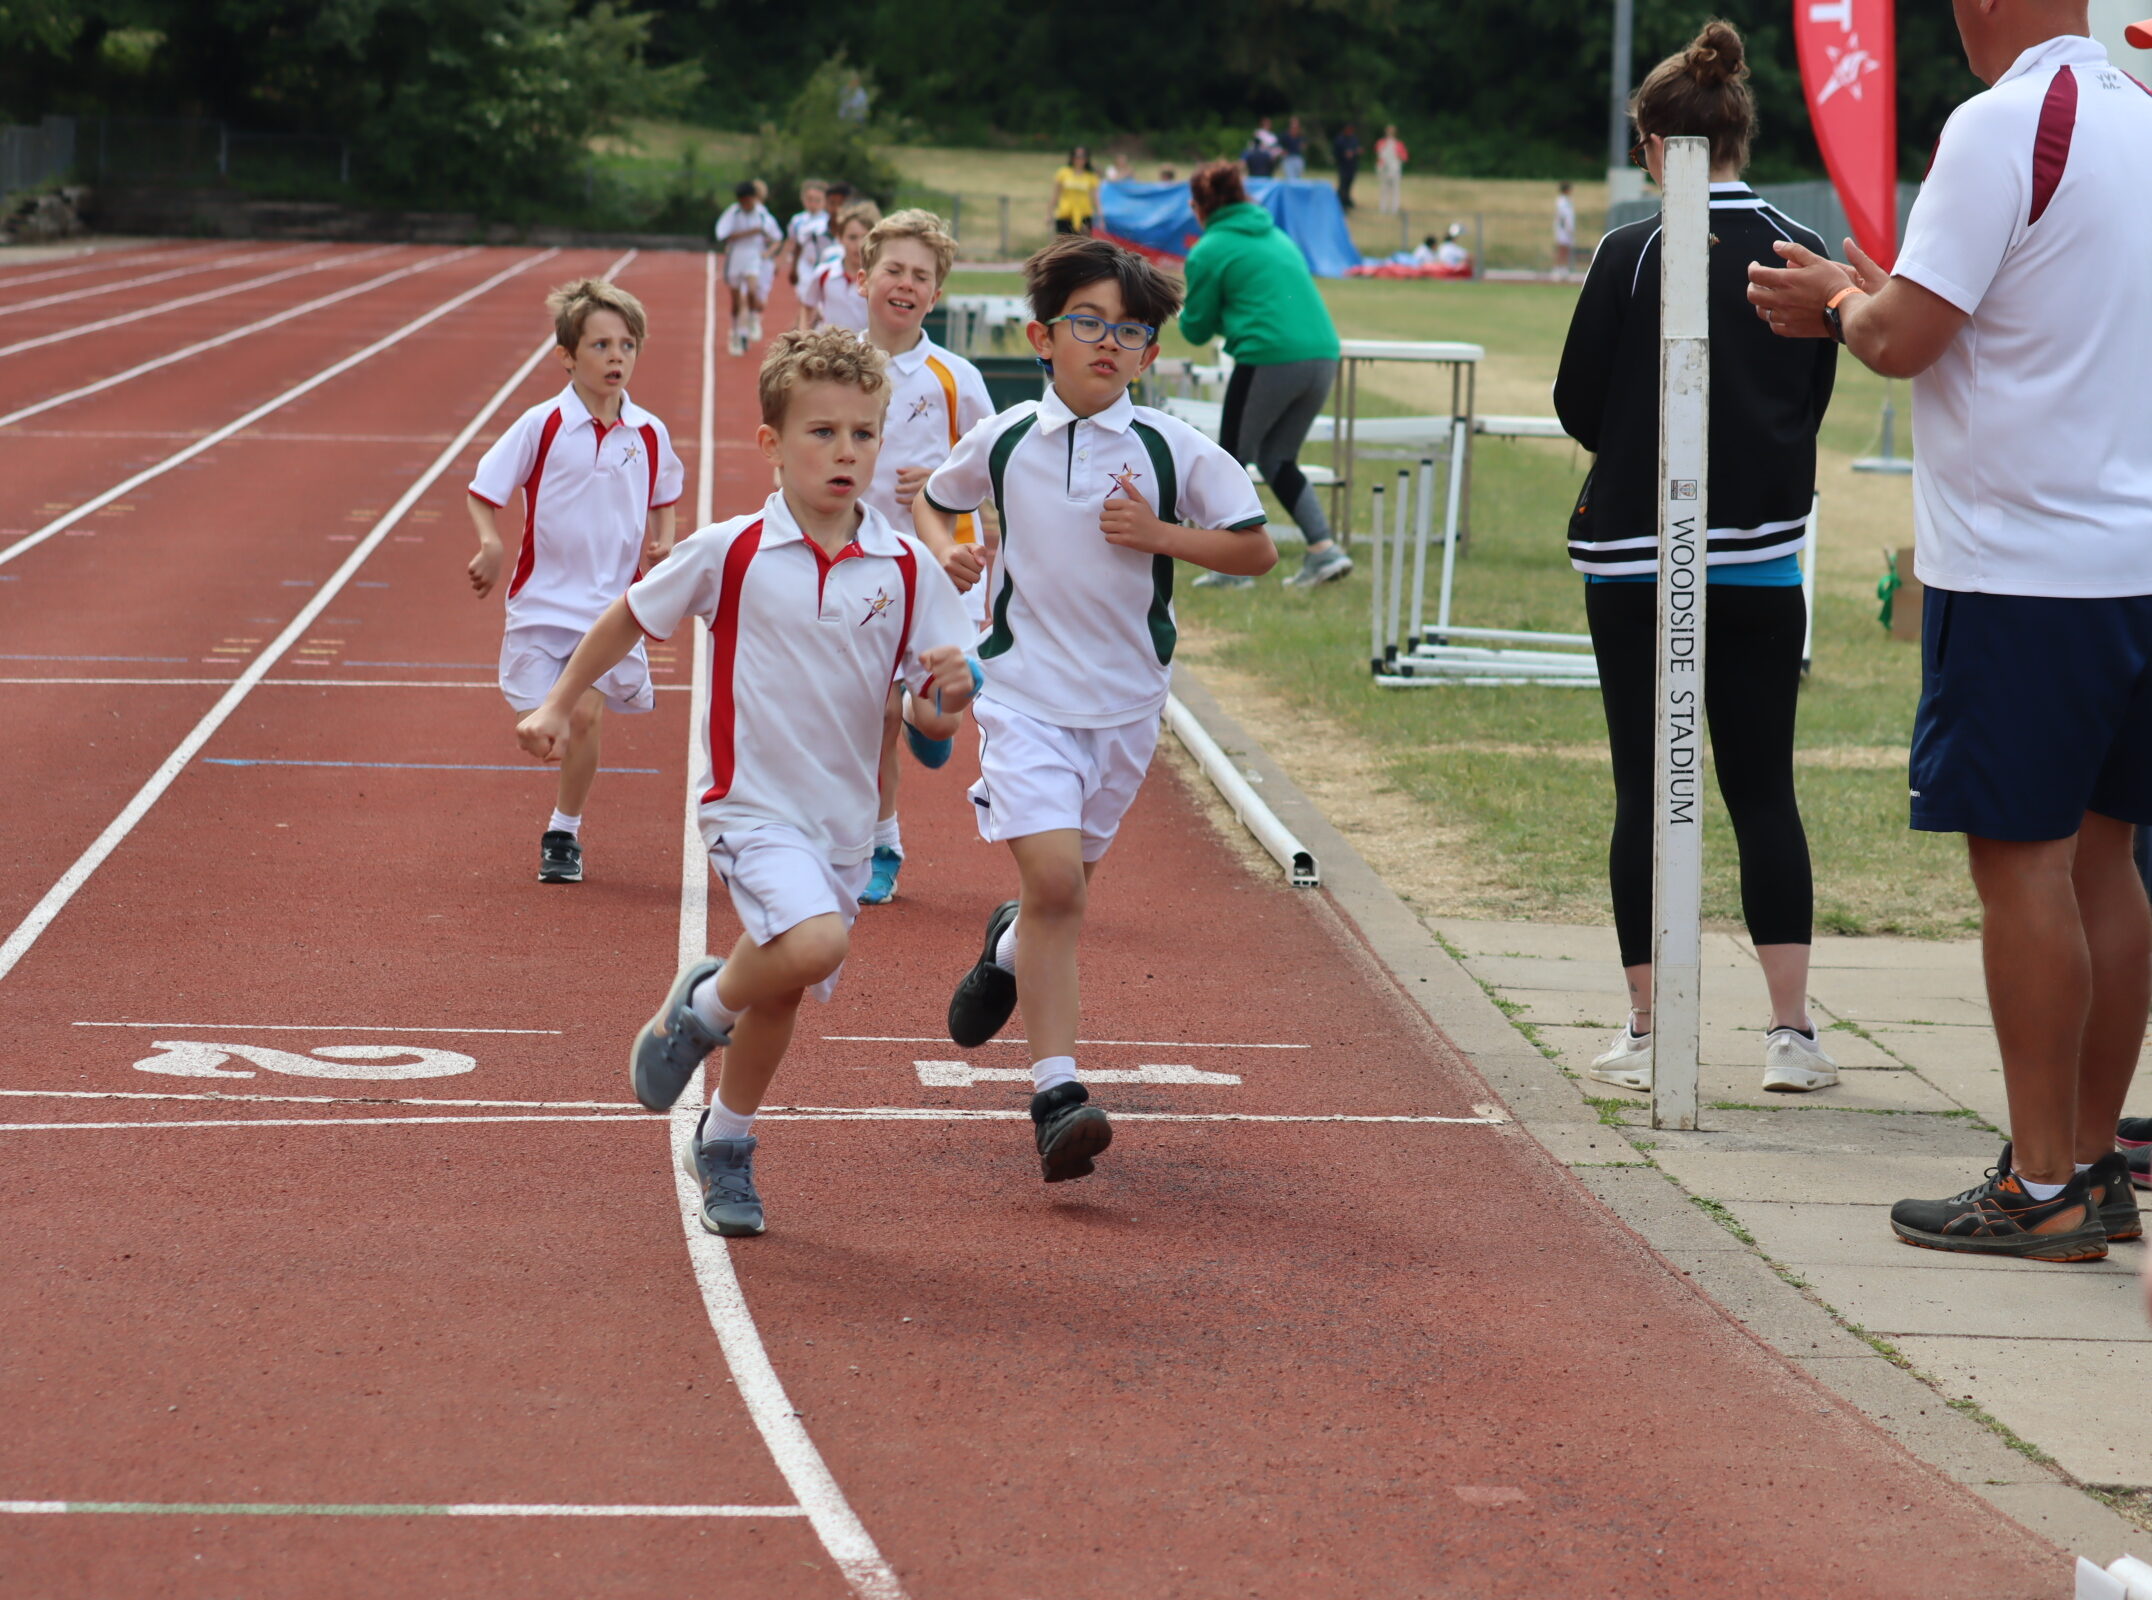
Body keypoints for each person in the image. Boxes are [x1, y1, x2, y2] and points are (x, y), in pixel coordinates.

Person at [1748, 0, 2152, 1260]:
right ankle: (2091, 1159)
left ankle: (2041, 1185)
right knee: (2108, 861)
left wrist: (1834, 298)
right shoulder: (2139, 113)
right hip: (2134, 554)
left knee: (2023, 866)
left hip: (2024, 566)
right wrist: (1877, 298)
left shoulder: (2000, 123)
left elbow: (1902, 340)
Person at [521, 328, 977, 1238]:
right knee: (812, 945)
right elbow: (629, 614)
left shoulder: (907, 567)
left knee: (784, 989)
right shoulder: (730, 550)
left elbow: (930, 713)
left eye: (863, 434)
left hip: (843, 825)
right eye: (822, 432)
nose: (845, 452)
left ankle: (725, 1140)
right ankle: (700, 1008)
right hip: (750, 807)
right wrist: (560, 701)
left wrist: (946, 701)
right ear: (771, 443)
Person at [913, 237, 1276, 1183]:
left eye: (1130, 331)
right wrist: (950, 551)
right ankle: (1057, 1096)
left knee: (1057, 894)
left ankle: (1006, 947)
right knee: (1061, 891)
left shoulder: (1172, 449)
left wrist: (1160, 535)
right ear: (1043, 337)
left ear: (1149, 353)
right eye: (1088, 323)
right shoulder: (1005, 440)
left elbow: (1254, 548)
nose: (1109, 343)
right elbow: (935, 500)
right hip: (1023, 694)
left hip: (1124, 708)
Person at [1552, 21, 1840, 1100]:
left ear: (1649, 141)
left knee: (1644, 788)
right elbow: (1813, 392)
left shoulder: (1628, 249)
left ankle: (1646, 1027)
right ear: (1739, 133)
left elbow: (1577, 401)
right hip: (1761, 556)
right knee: (1764, 789)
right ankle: (1790, 1033)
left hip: (1633, 555)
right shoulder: (1798, 246)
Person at [465, 278, 684, 885]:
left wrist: (665, 540)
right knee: (542, 728)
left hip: (610, 607)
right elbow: (484, 491)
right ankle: (547, 733)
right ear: (566, 355)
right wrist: (490, 544)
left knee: (584, 715)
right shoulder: (541, 425)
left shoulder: (648, 431)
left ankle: (563, 832)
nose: (617, 357)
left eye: (627, 345)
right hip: (541, 603)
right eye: (600, 345)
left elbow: (664, 494)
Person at [854, 209, 995, 906]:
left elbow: (996, 469)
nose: (905, 285)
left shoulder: (955, 378)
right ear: (863, 279)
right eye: (894, 271)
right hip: (859, 570)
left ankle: (925, 715)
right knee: (872, 716)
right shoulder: (834, 366)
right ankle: (881, 844)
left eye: (921, 276)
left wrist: (941, 480)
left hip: (940, 574)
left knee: (937, 717)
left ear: (935, 296)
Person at [1179, 160, 1350, 589]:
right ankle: (1324, 550)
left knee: (1229, 460)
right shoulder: (1276, 235)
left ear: (1199, 207)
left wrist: (1219, 316)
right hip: (1323, 356)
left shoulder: (1209, 249)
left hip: (1268, 356)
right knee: (1277, 457)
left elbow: (1196, 329)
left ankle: (1231, 568)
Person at [715, 179, 782, 356]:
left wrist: (768, 253)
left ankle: (752, 317)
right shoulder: (733, 213)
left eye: (748, 201)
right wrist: (752, 231)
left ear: (754, 198)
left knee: (752, 290)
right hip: (736, 256)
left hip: (754, 256)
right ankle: (736, 335)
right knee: (736, 300)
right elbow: (722, 234)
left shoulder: (762, 214)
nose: (746, 204)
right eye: (742, 201)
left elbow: (776, 236)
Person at [798, 198, 878, 333]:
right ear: (840, 238)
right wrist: (804, 336)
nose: (859, 245)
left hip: (866, 346)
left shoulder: (880, 277)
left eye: (865, 237)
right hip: (830, 344)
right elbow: (807, 306)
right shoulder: (824, 273)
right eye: (852, 237)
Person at [781, 179, 829, 296]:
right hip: (805, 265)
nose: (813, 204)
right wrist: (790, 266)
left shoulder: (829, 220)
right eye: (809, 199)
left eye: (817, 200)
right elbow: (793, 242)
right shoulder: (797, 220)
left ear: (825, 201)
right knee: (805, 297)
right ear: (803, 199)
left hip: (826, 264)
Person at [1050, 147, 1101, 236]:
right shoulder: (1063, 172)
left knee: (1083, 242)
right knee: (1064, 242)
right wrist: (1049, 213)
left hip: (1084, 214)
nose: (1079, 160)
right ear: (1072, 158)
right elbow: (1056, 194)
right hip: (1065, 214)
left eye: (1082, 157)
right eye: (1077, 157)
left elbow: (1095, 196)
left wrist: (1100, 214)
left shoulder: (1090, 175)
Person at [1375, 124, 1408, 214]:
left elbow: (1404, 157)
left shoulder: (1399, 144)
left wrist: (1399, 156)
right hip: (1384, 169)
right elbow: (1378, 153)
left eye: (1392, 131)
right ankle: (1383, 207)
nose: (1390, 133)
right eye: (1388, 131)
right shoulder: (1381, 142)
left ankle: (1394, 208)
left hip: (1395, 169)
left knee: (1395, 189)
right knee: (1384, 189)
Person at [1332, 122, 1361, 209]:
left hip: (1352, 165)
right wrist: (1344, 154)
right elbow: (1335, 152)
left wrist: (1356, 152)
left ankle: (1347, 199)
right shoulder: (1339, 139)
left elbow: (1356, 149)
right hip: (1343, 165)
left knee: (1349, 182)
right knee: (1343, 183)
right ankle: (1340, 201)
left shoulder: (1354, 139)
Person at [1553, 181, 1577, 276]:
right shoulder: (1561, 201)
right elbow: (1563, 216)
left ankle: (1564, 268)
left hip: (1567, 228)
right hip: (1563, 229)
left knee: (1566, 249)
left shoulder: (1568, 201)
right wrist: (1567, 228)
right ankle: (1557, 268)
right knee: (1561, 249)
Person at [1279, 116, 1308, 181]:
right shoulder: (1284, 135)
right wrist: (1282, 152)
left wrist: (1303, 147)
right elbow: (1279, 146)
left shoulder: (1301, 136)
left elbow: (1304, 146)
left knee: (1298, 178)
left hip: (1298, 158)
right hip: (1288, 158)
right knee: (1290, 178)